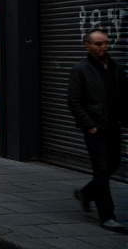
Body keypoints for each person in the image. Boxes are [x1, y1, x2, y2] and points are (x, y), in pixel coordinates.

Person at [67, 28, 127, 233]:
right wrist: (88, 124)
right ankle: (107, 216)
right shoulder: (80, 69)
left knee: (113, 165)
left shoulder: (116, 69)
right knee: (101, 169)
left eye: (106, 43)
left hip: (113, 125)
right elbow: (73, 100)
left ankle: (85, 193)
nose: (104, 47)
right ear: (88, 45)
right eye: (99, 43)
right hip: (95, 128)